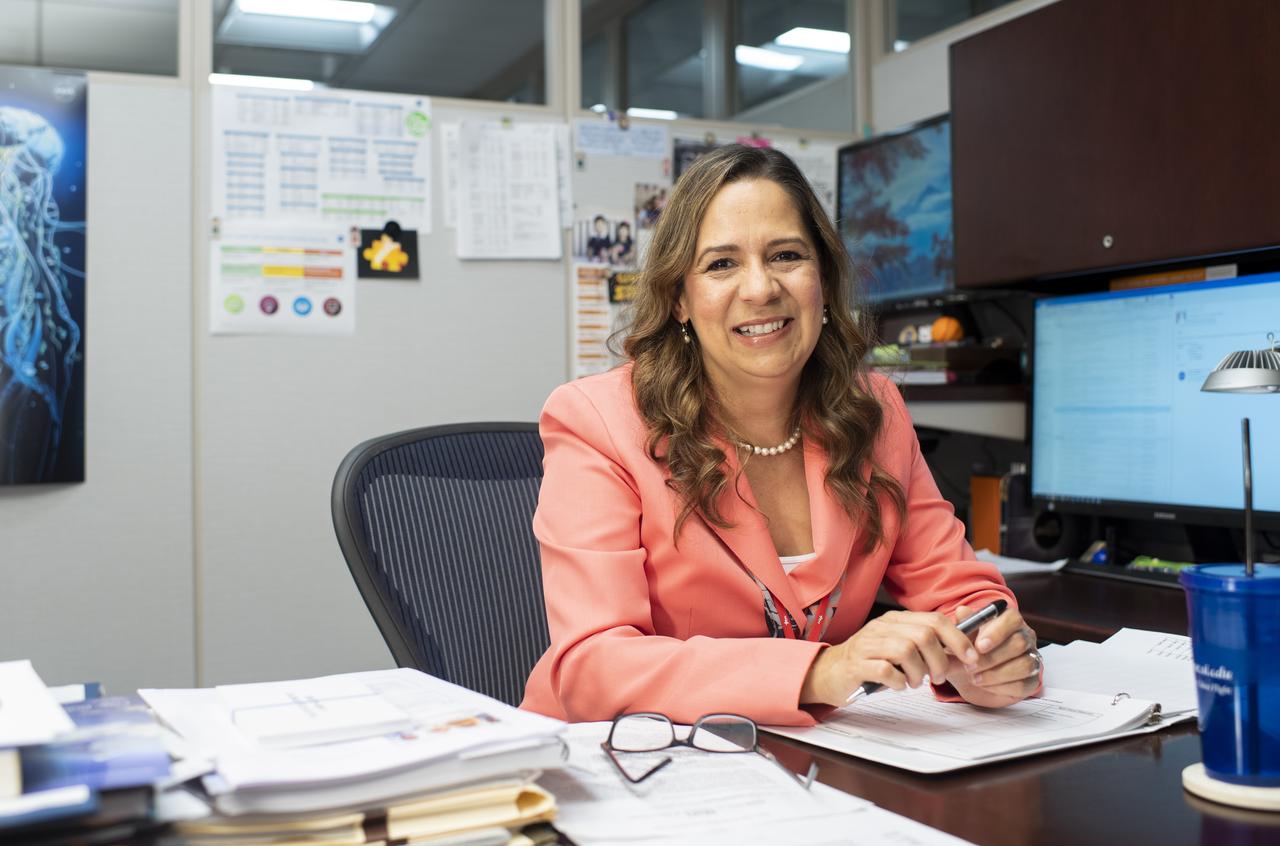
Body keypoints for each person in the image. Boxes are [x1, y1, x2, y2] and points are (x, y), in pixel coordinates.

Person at [521, 145, 1040, 726]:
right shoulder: (597, 421)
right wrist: (822, 672)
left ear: (822, 277)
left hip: (802, 761)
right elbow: (593, 667)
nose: (761, 288)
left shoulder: (875, 413)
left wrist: (987, 652)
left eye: (786, 255)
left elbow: (958, 589)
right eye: (721, 264)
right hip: (625, 763)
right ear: (679, 299)